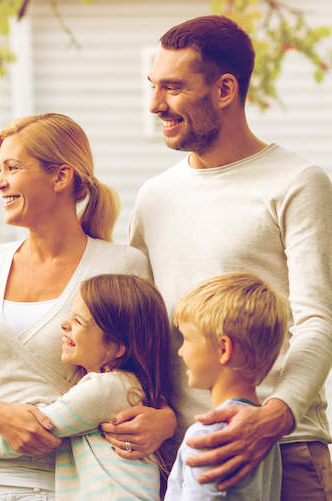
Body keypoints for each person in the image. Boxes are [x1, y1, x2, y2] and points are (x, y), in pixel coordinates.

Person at [128, 14, 332, 498]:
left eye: (173, 88)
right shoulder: (154, 196)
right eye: (153, 86)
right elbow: (133, 318)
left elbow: (318, 321)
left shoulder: (298, 183)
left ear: (224, 90)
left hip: (284, 448)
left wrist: (273, 417)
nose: (156, 104)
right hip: (184, 454)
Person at [0, 113, 175, 500]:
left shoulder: (123, 266)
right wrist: (1, 417)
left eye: (12, 168)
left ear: (61, 176)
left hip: (58, 481)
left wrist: (166, 421)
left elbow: (148, 374)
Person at [0, 274, 171, 500]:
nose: (64, 324)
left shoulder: (102, 391)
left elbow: (26, 434)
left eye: (78, 321)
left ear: (117, 347)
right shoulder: (128, 387)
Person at [165, 272, 286, 500]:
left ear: (223, 349)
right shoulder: (266, 439)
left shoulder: (209, 434)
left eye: (187, 339)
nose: (180, 351)